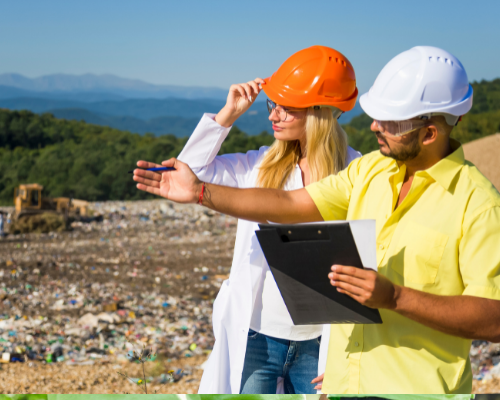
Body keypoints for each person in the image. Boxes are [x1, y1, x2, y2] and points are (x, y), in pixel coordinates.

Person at [133, 46, 500, 394]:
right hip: (274, 341)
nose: (374, 127)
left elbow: (491, 317)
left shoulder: (469, 202)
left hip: (346, 357)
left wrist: (392, 301)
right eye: (272, 104)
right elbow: (280, 200)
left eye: (388, 121)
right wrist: (208, 172)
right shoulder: (366, 172)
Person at [134, 45, 361, 394]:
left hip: (322, 344)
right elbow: (189, 174)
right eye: (273, 104)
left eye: (287, 108)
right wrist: (228, 114)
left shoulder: (359, 172)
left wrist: (349, 359)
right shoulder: (258, 165)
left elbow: (367, 264)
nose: (273, 115)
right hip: (257, 337)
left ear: (320, 111)